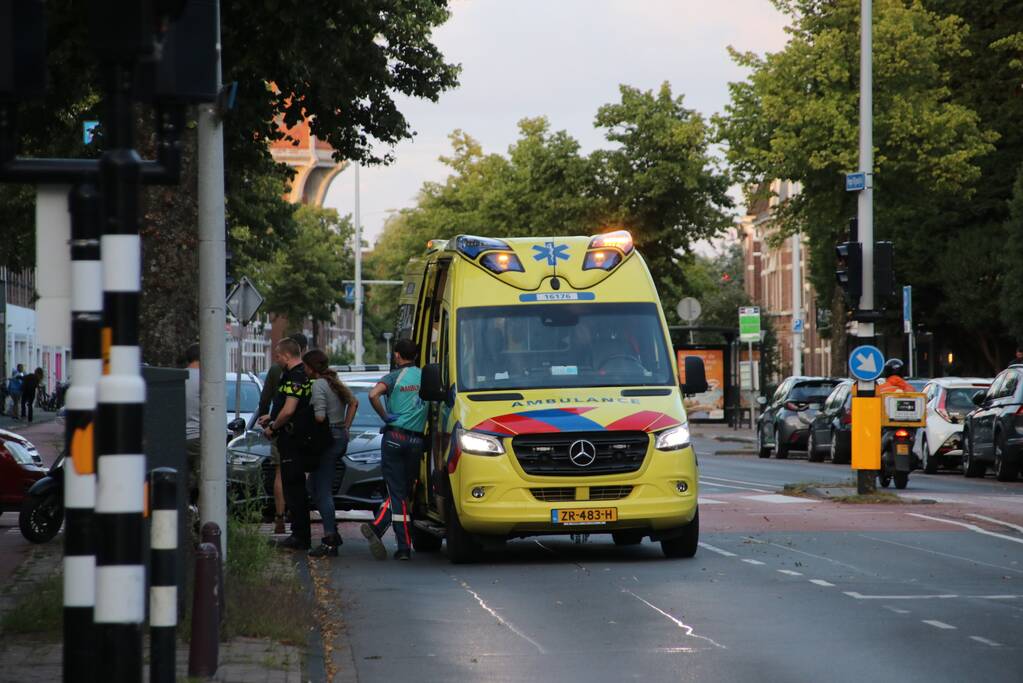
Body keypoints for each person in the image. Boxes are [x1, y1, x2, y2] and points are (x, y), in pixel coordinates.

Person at [360, 339, 428, 561]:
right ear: (416, 356)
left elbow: (372, 395)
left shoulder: (393, 377)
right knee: (403, 492)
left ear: (397, 356)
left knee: (396, 492)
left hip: (394, 437)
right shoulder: (425, 376)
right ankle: (388, 535)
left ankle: (398, 544)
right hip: (416, 441)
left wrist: (384, 416)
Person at [258, 338, 314, 551]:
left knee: (295, 488)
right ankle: (298, 535)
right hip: (290, 437)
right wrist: (271, 419)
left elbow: (290, 409)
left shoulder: (297, 376)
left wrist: (273, 427)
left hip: (294, 439)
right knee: (292, 487)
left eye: (278, 356)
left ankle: (300, 537)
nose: (277, 359)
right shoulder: (293, 375)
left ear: (288, 356)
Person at [303, 349, 358, 557]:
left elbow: (319, 417)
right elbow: (354, 402)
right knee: (314, 486)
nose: (305, 370)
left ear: (311, 367)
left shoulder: (318, 385)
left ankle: (329, 539)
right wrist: (346, 427)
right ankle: (332, 531)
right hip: (338, 436)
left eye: (306, 367)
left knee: (322, 489)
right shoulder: (334, 382)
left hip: (325, 439)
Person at [183, 343, 201, 500]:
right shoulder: (207, 380)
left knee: (182, 483)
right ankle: (203, 519)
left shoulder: (179, 377)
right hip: (199, 437)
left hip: (180, 438)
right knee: (206, 483)